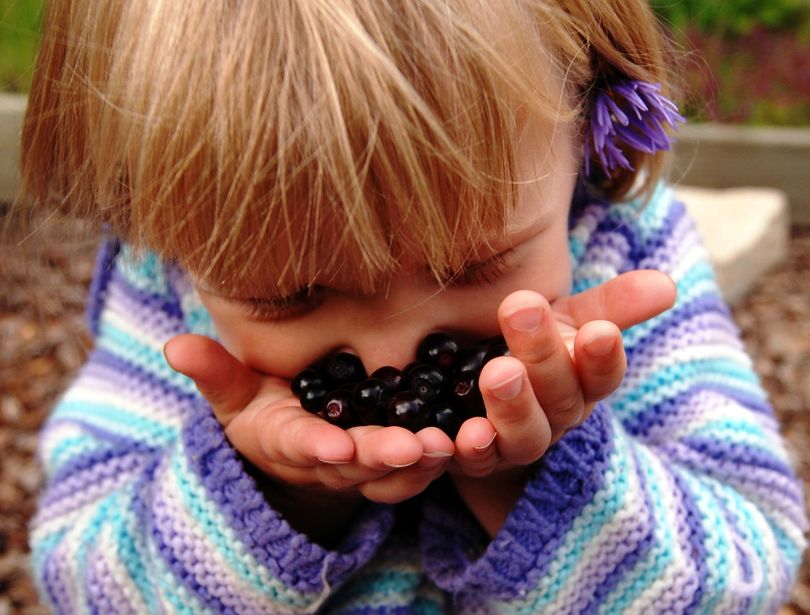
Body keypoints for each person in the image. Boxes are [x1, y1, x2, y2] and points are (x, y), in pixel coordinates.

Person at [18, 0, 806, 612]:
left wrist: (531, 477)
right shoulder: (167, 296)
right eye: (290, 296)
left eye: (476, 264)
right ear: (156, 226)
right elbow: (85, 579)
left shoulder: (626, 258)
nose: (393, 357)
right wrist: (278, 489)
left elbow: (744, 570)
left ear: (589, 121)